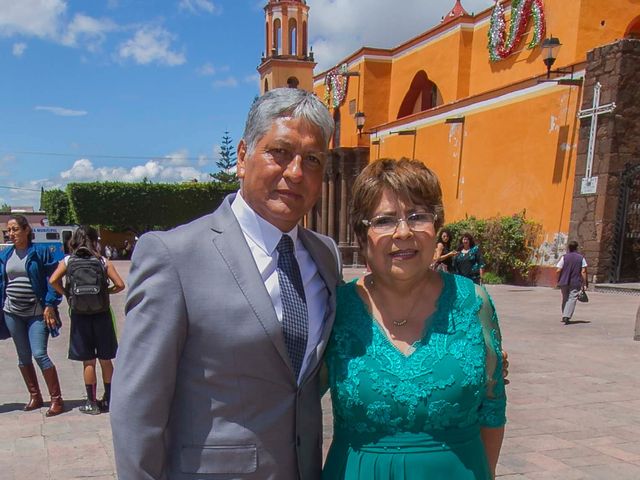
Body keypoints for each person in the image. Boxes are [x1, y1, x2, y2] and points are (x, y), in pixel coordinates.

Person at [110, 88, 341, 479]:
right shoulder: (174, 256)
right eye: (279, 152)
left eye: (313, 159)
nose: (296, 173)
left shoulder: (325, 256)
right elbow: (136, 410)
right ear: (241, 156)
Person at [323, 158, 506, 480]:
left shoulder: (473, 303)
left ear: (437, 228)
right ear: (362, 235)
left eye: (418, 216)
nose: (404, 232)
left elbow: (492, 407)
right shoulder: (335, 308)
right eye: (384, 220)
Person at [49, 225, 125, 414]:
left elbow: (52, 281)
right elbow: (120, 285)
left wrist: (67, 293)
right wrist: (104, 292)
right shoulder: (102, 261)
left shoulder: (68, 261)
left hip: (79, 316)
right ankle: (109, 399)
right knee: (106, 359)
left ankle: (91, 403)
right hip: (102, 314)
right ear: (94, 240)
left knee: (88, 361)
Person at [0, 215, 64, 416]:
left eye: (15, 229)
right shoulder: (5, 254)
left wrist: (50, 304)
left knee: (39, 353)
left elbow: (53, 280)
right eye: (8, 230)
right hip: (12, 312)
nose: (11, 234)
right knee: (23, 356)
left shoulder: (40, 252)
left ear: (27, 230)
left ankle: (57, 400)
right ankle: (35, 396)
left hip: (37, 312)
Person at [556, 240, 588, 324]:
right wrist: (584, 283)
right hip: (575, 281)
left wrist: (558, 279)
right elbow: (583, 271)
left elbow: (558, 270)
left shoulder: (564, 257)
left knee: (565, 298)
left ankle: (564, 315)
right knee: (572, 298)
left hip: (564, 281)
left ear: (569, 248)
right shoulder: (581, 258)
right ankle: (566, 316)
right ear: (577, 248)